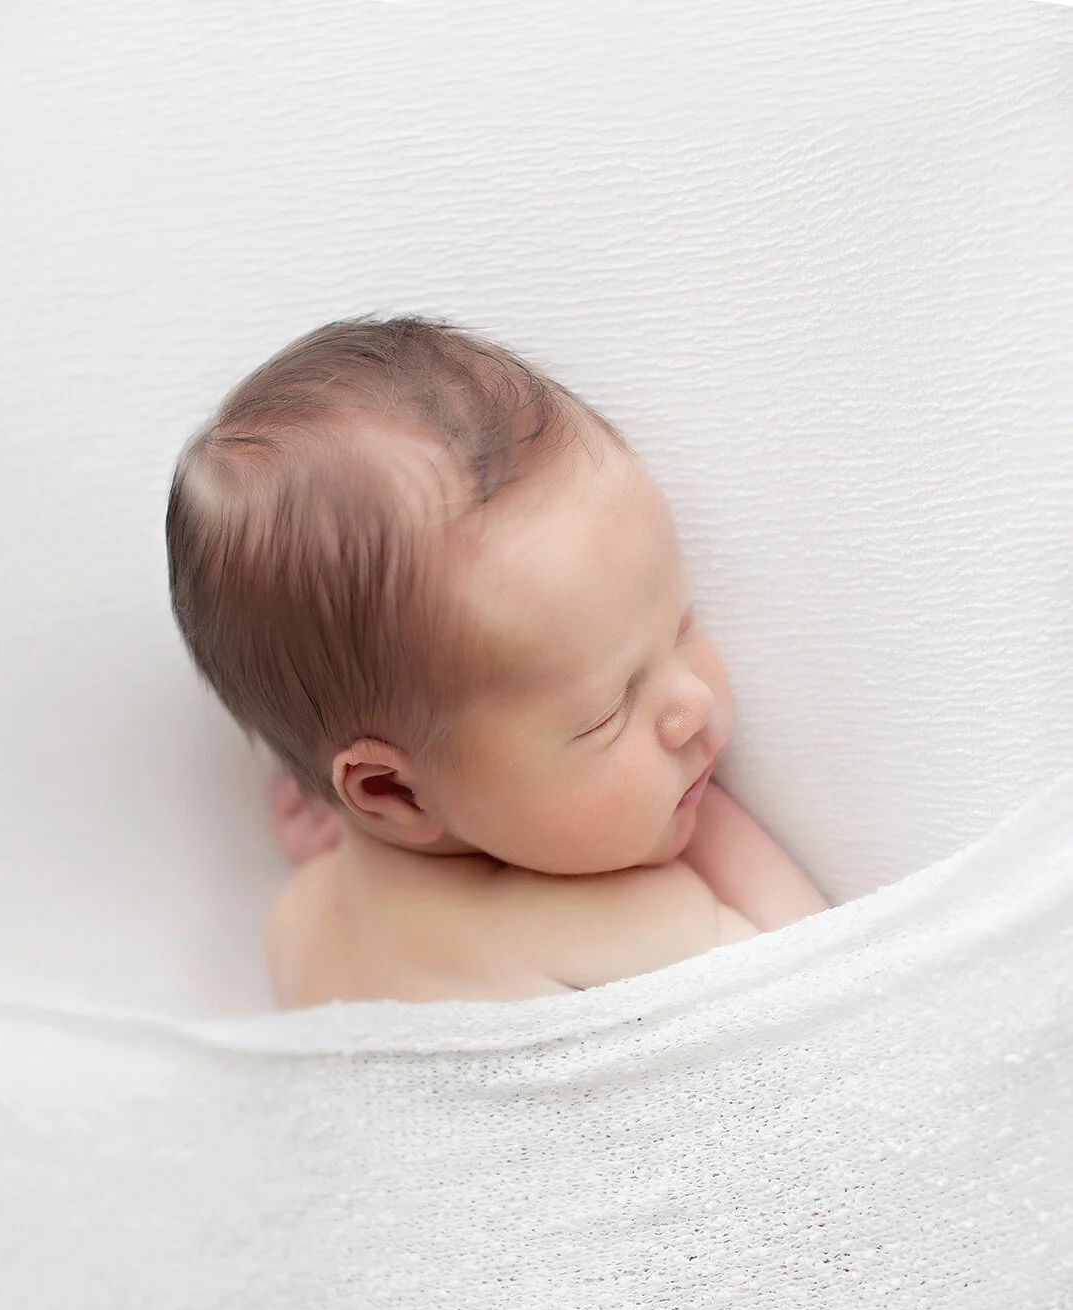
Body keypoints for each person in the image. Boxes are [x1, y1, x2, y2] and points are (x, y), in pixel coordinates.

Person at [167, 317, 829, 1005]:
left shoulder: (299, 922)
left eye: (680, 626)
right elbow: (828, 980)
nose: (691, 702)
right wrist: (715, 821)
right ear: (391, 793)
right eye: (607, 711)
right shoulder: (623, 922)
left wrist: (342, 843)